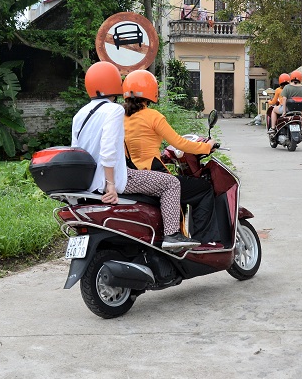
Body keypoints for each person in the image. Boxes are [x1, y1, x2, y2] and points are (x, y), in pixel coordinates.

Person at [72, 62, 197, 249]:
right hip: (116, 178)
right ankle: (172, 235)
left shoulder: (80, 114)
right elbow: (108, 151)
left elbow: (77, 151)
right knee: (171, 183)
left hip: (88, 182)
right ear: (115, 83)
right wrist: (111, 185)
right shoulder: (115, 110)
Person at [122, 69, 221, 244]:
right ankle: (205, 241)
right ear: (151, 92)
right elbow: (179, 143)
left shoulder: (123, 118)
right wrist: (206, 146)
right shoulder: (153, 117)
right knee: (204, 188)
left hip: (134, 175)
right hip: (154, 172)